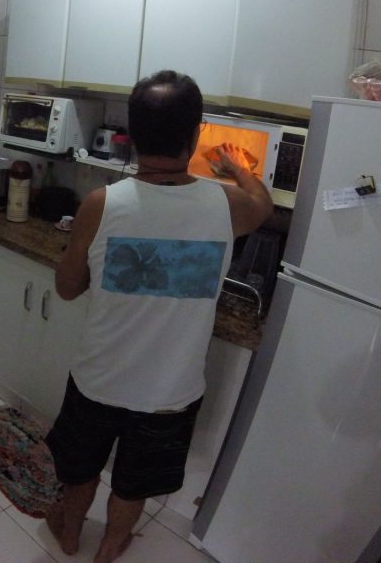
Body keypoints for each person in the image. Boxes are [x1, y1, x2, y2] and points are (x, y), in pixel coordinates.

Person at [44, 70, 274, 562]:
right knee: (135, 483)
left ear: (133, 135)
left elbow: (66, 289)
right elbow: (263, 204)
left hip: (98, 380)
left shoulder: (101, 203)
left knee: (80, 468)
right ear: (194, 137)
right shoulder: (226, 205)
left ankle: (69, 532)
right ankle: (111, 545)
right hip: (170, 391)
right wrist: (236, 166)